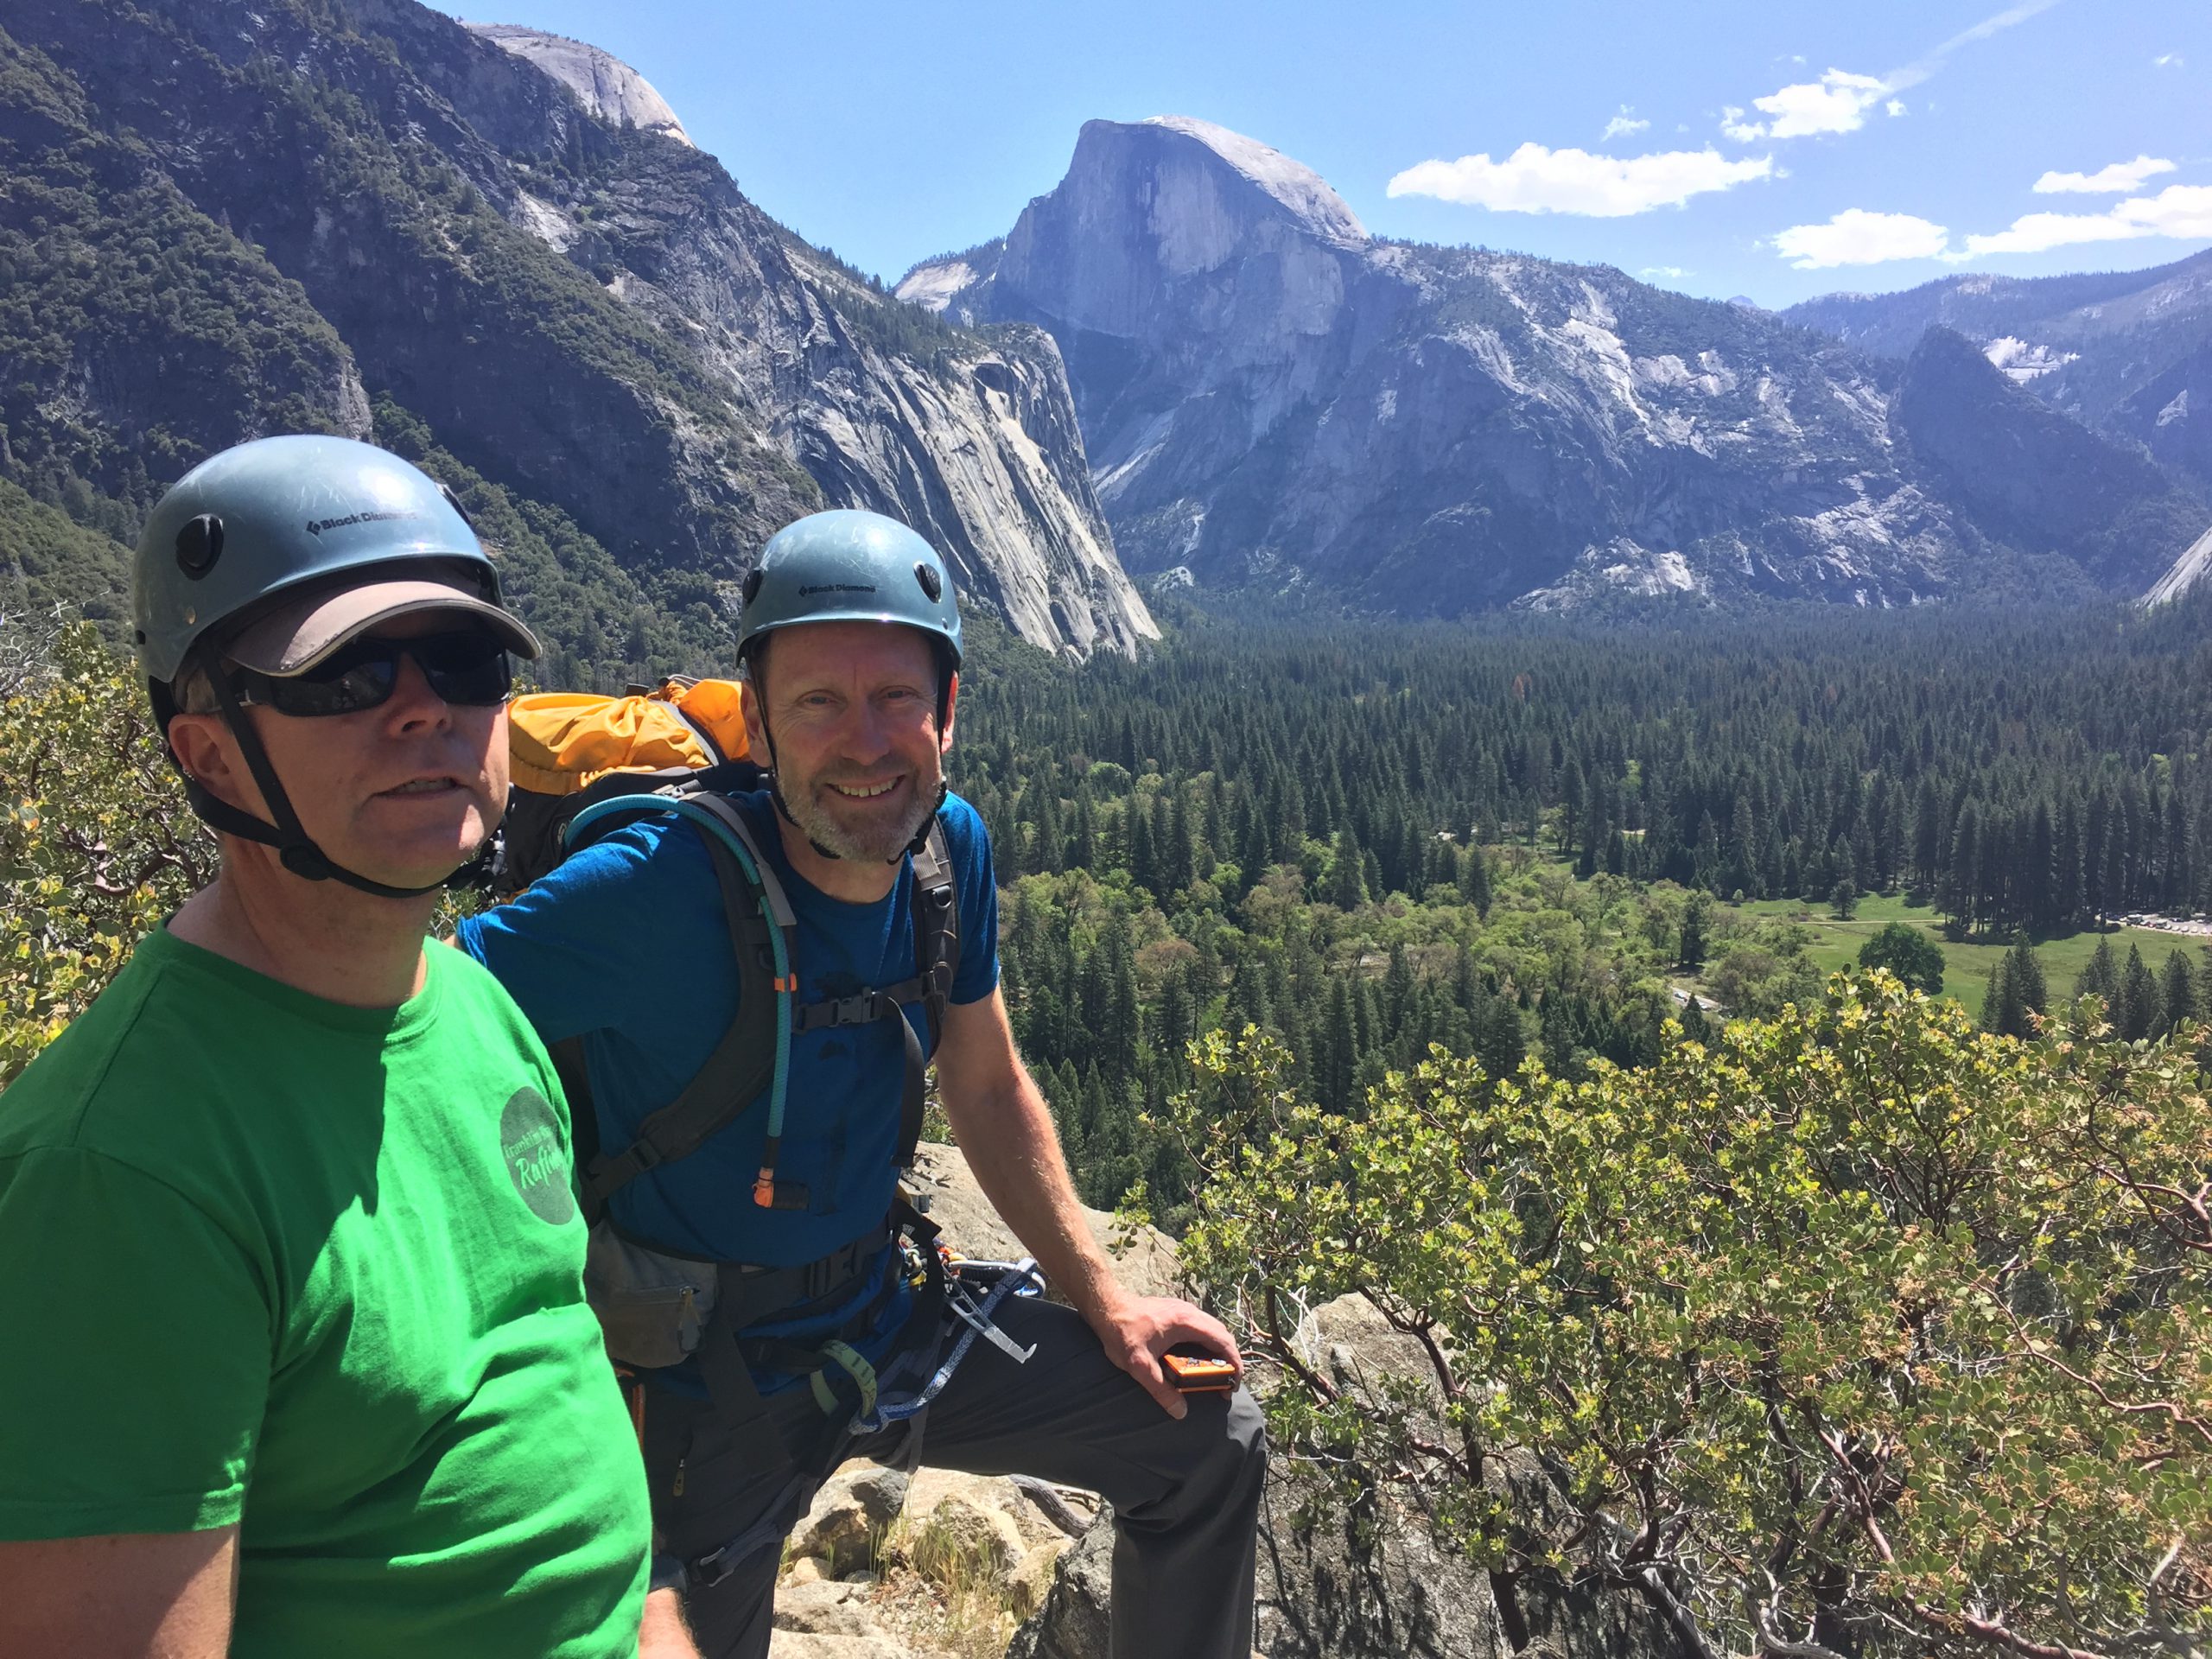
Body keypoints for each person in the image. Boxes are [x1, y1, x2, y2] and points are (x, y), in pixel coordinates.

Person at [459, 508, 1267, 1658]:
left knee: (1205, 1433)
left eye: (896, 698)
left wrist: (1103, 1296)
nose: (866, 744)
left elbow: (985, 1081)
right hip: (697, 1388)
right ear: (759, 724)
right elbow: (418, 1027)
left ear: (949, 710)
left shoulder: (947, 849)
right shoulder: (653, 889)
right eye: (818, 704)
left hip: (882, 1314)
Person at [0, 435, 691, 1658]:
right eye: (343, 675)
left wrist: (654, 1613)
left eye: (464, 662)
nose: (425, 708)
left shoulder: (474, 1006)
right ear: (210, 755)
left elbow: (557, 1358)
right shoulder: (120, 1171)